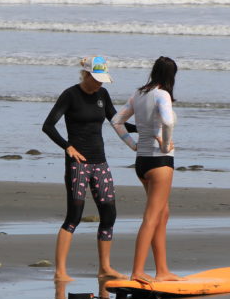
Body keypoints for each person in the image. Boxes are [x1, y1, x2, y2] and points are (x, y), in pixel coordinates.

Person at [43, 56, 135, 281]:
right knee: (74, 216)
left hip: (100, 162)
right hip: (78, 165)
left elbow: (116, 121)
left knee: (109, 213)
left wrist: (143, 129)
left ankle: (105, 268)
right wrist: (68, 147)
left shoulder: (102, 95)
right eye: (96, 79)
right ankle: (60, 271)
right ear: (86, 74)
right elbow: (48, 125)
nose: (100, 84)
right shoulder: (70, 95)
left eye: (103, 80)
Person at [112, 56, 181, 284]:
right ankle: (138, 271)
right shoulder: (163, 95)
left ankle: (162, 270)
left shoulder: (138, 94)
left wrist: (133, 145)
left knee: (162, 213)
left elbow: (116, 121)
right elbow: (168, 122)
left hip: (142, 162)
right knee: (152, 217)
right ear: (171, 76)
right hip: (160, 162)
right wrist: (164, 143)